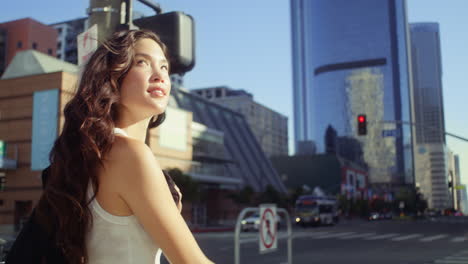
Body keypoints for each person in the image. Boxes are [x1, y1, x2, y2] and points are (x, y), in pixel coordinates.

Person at [32, 29, 214, 264]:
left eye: (164, 67)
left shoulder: (94, 153)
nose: (159, 75)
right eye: (142, 63)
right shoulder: (129, 154)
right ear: (112, 77)